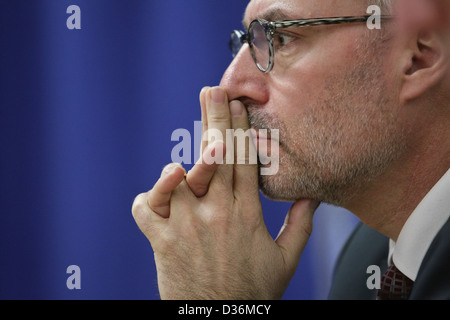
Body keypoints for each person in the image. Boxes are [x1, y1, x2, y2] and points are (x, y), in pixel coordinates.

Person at [132, 0, 450, 300]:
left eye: (281, 38)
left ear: (419, 58)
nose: (228, 85)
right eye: (248, 40)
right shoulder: (365, 263)